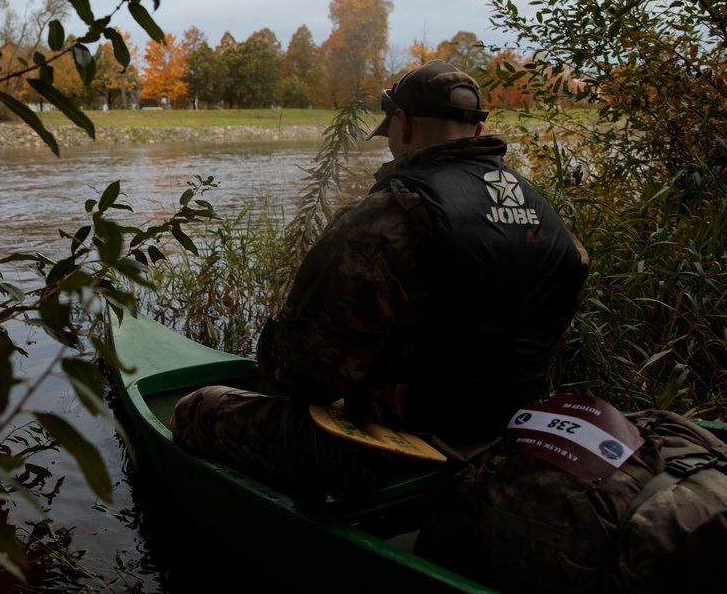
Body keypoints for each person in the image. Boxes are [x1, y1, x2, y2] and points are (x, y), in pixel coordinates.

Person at [171, 60, 590, 491]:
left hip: (396, 453)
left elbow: (295, 375)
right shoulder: (548, 219)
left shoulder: (381, 220)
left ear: (403, 123)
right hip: (515, 440)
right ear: (479, 132)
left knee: (196, 410)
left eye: (390, 129)